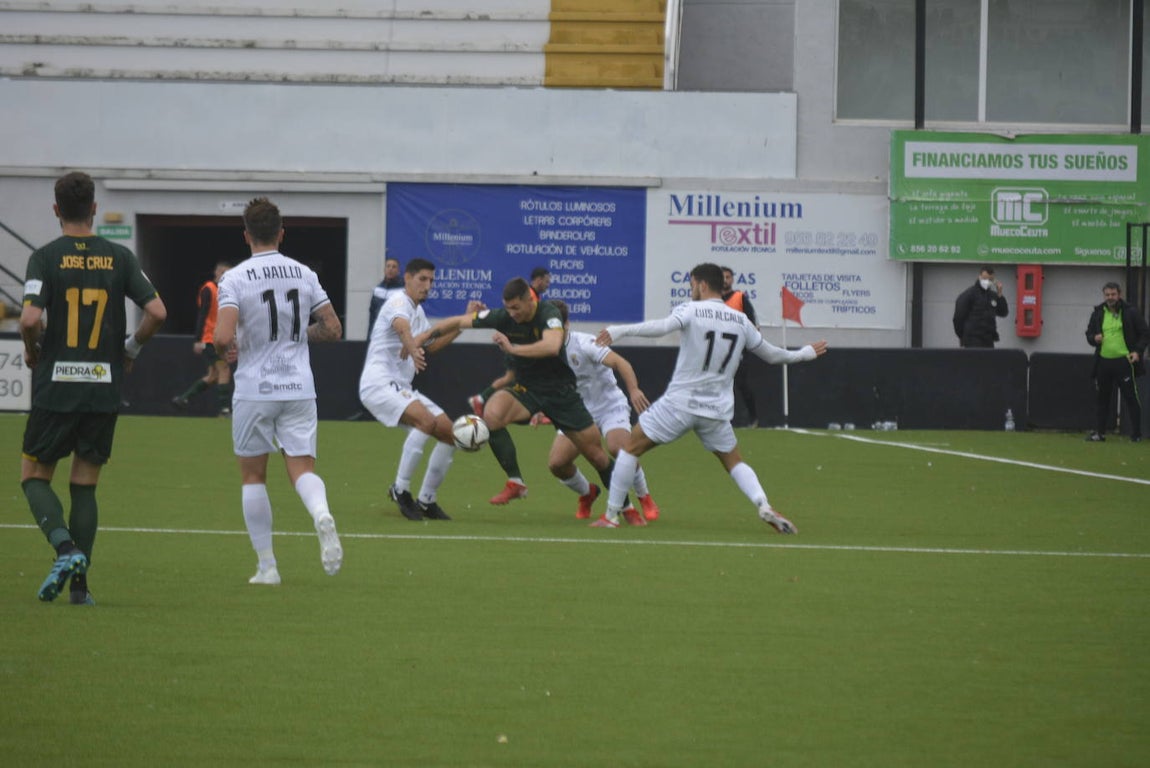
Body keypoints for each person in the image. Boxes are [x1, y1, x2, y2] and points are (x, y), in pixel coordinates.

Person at [19, 171, 167, 605]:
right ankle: (80, 590)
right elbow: (156, 311)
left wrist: (33, 349)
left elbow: (29, 320)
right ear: (95, 210)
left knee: (34, 477)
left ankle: (64, 549)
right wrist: (131, 350)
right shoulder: (119, 257)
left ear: (55, 210)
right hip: (103, 386)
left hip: (57, 387)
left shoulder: (45, 258)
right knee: (84, 484)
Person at [594, 262, 827, 530]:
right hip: (716, 409)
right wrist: (805, 353)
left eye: (692, 284)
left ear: (702, 285)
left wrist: (620, 330)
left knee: (630, 449)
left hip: (680, 404)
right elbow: (773, 355)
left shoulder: (690, 309)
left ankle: (611, 516)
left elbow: (661, 327)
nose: (691, 289)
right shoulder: (740, 319)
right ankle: (763, 504)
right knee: (734, 461)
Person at [213, 197, 344, 585]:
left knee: (253, 477)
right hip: (299, 387)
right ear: (281, 233)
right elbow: (333, 329)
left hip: (255, 388)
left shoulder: (234, 278)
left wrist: (228, 349)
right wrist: (297, 335)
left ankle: (267, 567)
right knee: (302, 469)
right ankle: (320, 513)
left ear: (246, 235)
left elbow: (222, 336)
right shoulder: (303, 273)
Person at [428, 277, 631, 515]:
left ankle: (630, 505)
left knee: (599, 455)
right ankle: (521, 482)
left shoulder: (574, 339)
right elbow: (509, 374)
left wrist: (634, 389)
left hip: (572, 399)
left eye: (516, 307)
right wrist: (421, 338)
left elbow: (555, 348)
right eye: (508, 308)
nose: (512, 313)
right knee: (552, 460)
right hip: (534, 392)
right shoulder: (510, 323)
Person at [360, 258, 475, 521]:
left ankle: (426, 500)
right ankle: (400, 489)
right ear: (408, 278)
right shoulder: (398, 303)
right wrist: (412, 347)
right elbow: (402, 327)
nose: (428, 285)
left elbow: (431, 346)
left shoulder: (418, 311)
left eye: (432, 280)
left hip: (400, 386)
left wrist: (462, 324)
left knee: (451, 434)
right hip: (378, 384)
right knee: (425, 421)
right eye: (422, 279)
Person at [547, 300, 660, 521]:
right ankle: (587, 493)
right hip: (577, 411)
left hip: (609, 406)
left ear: (567, 324)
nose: (550, 332)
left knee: (620, 448)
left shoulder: (585, 343)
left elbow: (621, 363)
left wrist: (634, 390)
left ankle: (644, 496)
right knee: (557, 464)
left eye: (556, 327)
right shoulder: (544, 349)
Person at [467, 265, 551, 418]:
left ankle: (481, 399)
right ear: (538, 280)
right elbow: (512, 319)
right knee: (523, 377)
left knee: (511, 377)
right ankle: (540, 412)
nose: (548, 284)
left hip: (518, 345)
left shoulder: (534, 297)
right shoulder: (528, 295)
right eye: (546, 281)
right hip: (519, 346)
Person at [1084, 282, 1149, 443]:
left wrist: (1137, 351)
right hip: (1104, 362)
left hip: (1124, 362)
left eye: (1113, 294)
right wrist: (1094, 338)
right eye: (1107, 295)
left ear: (1119, 294)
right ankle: (1100, 433)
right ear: (1104, 295)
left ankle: (1136, 434)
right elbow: (1089, 334)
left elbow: (1145, 333)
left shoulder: (1130, 312)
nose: (1110, 298)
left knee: (1130, 397)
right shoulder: (1098, 312)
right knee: (1102, 399)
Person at [171, 261, 234, 416]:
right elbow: (203, 313)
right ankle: (225, 411)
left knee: (213, 376)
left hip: (220, 337)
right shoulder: (209, 289)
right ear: (217, 273)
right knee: (224, 370)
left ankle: (183, 399)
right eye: (223, 273)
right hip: (210, 338)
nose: (226, 276)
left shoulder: (229, 291)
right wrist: (198, 339)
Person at [721, 266, 759, 428]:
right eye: (722, 277)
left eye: (728, 277)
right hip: (717, 349)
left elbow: (752, 323)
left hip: (738, 349)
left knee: (741, 384)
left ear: (732, 279)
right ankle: (720, 420)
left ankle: (753, 418)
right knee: (717, 384)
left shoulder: (740, 298)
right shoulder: (711, 300)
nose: (725, 280)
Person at [953, 266, 1009, 348]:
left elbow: (1003, 312)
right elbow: (958, 317)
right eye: (985, 279)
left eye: (990, 280)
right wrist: (962, 336)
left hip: (988, 339)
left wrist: (1000, 295)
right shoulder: (969, 294)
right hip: (972, 339)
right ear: (979, 277)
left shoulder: (993, 296)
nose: (987, 282)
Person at [368, 256, 404, 333]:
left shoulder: (403, 290)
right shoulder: (378, 290)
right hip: (378, 333)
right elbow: (372, 315)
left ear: (398, 271)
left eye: (394, 267)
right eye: (388, 266)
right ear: (384, 269)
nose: (390, 269)